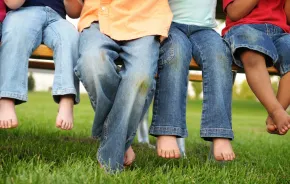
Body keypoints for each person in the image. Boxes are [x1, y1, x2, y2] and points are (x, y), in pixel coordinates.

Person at [74, 0, 172, 172]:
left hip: (147, 19)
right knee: (92, 63)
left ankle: (110, 159)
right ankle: (120, 140)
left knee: (140, 77)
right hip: (99, 17)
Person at [149, 0, 235, 161]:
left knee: (220, 56)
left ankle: (219, 131)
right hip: (172, 24)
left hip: (205, 29)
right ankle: (167, 129)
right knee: (175, 54)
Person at [0, 0, 82, 130]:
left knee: (71, 37)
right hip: (22, 13)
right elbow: (12, 4)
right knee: (16, 32)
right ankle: (6, 98)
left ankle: (67, 98)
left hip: (57, 18)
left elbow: (75, 12)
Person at [223, 0, 290, 135]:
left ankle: (275, 115)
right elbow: (234, 13)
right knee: (253, 51)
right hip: (245, 28)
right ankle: (276, 110)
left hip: (280, 31)